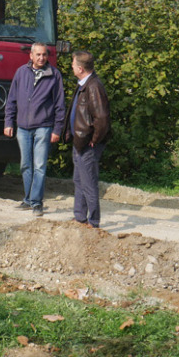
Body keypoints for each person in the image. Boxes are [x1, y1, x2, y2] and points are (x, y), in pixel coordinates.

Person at [4, 42, 66, 216]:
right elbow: (11, 100)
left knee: (39, 166)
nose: (41, 58)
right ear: (30, 56)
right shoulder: (21, 72)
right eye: (38, 54)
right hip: (22, 127)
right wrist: (8, 122)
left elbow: (60, 105)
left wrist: (57, 129)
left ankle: (37, 203)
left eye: (44, 55)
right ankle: (28, 199)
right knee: (25, 165)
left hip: (44, 126)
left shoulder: (54, 75)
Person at [64, 51, 111, 228]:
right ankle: (80, 217)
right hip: (79, 141)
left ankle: (93, 221)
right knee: (78, 180)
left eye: (73, 64)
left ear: (80, 68)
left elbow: (102, 118)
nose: (71, 66)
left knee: (89, 182)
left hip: (88, 143)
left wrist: (95, 139)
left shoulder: (94, 87)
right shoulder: (83, 84)